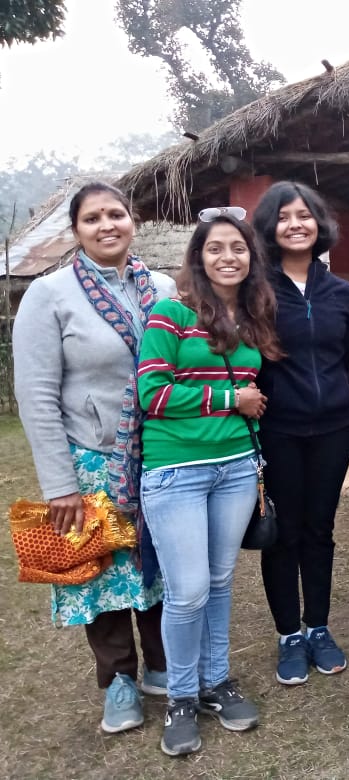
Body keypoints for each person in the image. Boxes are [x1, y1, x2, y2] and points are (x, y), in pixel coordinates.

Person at [13, 182, 171, 735]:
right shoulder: (50, 295)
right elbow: (35, 395)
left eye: (116, 214)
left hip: (160, 453)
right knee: (99, 571)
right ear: (76, 230)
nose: (107, 225)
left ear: (133, 221)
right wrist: (60, 485)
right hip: (90, 459)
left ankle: (163, 664)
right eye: (92, 218)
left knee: (160, 562)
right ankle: (118, 678)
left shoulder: (163, 288)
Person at [138, 208, 282, 756]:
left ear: (251, 257)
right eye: (216, 248)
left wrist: (245, 409)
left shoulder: (252, 317)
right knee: (189, 589)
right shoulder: (170, 313)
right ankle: (180, 696)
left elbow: (250, 392)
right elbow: (152, 393)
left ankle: (215, 680)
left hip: (237, 468)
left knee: (220, 581)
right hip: (176, 470)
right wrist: (229, 398)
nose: (228, 257)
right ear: (198, 256)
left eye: (238, 248)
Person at [252, 182, 349, 686]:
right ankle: (288, 635)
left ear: (319, 223)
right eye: (284, 216)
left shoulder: (341, 294)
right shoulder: (256, 292)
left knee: (320, 529)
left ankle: (318, 627)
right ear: (269, 227)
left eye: (304, 215)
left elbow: (346, 357)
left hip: (334, 429)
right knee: (284, 532)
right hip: (280, 430)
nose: (295, 224)